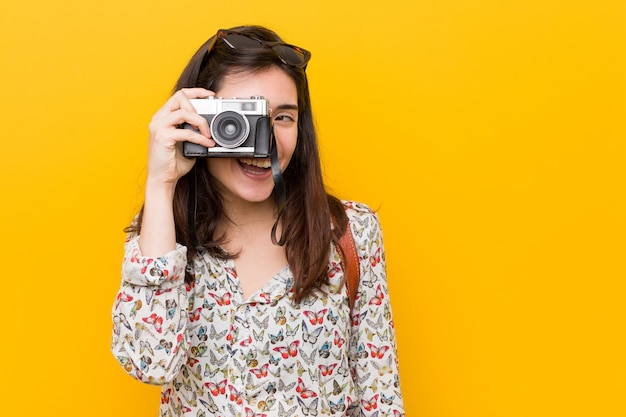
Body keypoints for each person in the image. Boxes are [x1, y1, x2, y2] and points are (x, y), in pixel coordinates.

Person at [111, 25, 405, 417]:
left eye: (283, 117)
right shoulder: (164, 233)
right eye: (242, 118)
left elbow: (380, 397)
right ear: (196, 120)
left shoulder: (349, 232)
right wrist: (161, 181)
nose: (265, 141)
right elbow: (150, 364)